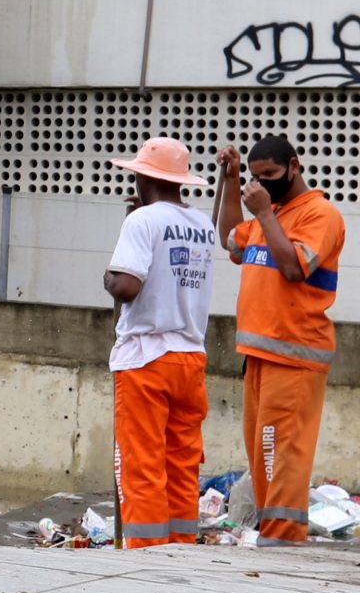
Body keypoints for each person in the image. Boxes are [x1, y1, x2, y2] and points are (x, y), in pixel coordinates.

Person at [216, 135, 344, 543]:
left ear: (294, 165)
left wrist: (265, 214)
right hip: (258, 354)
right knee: (262, 459)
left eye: (268, 175)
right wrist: (232, 180)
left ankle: (283, 541)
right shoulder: (266, 212)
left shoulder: (319, 214)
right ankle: (275, 539)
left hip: (294, 358)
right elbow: (230, 238)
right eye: (256, 177)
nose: (263, 183)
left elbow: (293, 267)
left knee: (279, 459)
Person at [102, 138, 217, 547]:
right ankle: (180, 552)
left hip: (146, 360)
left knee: (142, 466)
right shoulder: (203, 225)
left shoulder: (140, 222)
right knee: (182, 464)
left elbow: (127, 286)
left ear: (144, 176)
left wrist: (109, 276)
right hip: (190, 359)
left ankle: (146, 558)